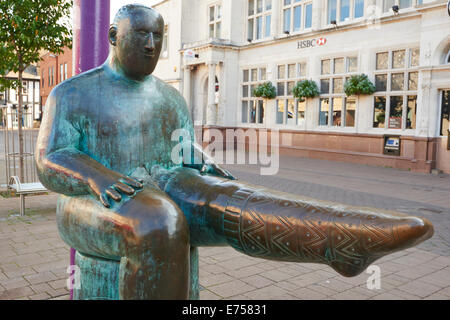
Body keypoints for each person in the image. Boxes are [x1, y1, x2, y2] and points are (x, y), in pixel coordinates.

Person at [36, 4, 433, 300]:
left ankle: (337, 239)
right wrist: (97, 175)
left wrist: (208, 168)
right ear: (112, 35)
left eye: (158, 36)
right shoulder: (73, 93)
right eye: (141, 35)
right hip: (90, 199)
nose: (151, 45)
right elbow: (50, 157)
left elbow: (182, 149)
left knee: (231, 200)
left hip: (162, 180)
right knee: (158, 222)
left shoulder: (169, 98)